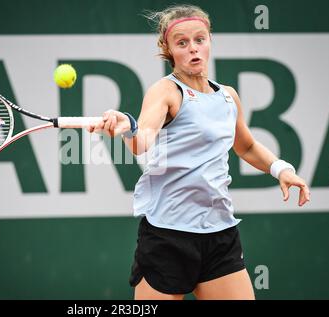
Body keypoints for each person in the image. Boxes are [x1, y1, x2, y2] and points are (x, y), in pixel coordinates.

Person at [88, 4, 311, 300]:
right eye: (182, 43)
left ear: (209, 41)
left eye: (199, 39)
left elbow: (246, 146)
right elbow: (142, 141)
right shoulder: (166, 91)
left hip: (220, 235)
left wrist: (281, 169)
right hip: (168, 237)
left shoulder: (228, 96)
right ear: (168, 50)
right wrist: (127, 126)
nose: (193, 48)